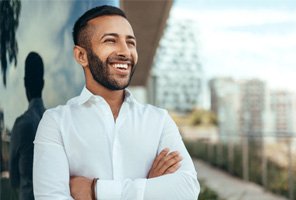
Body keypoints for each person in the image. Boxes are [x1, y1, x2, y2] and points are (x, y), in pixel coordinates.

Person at [33, 5, 200, 200]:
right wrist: (148, 187)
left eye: (130, 43)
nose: (125, 51)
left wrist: (95, 190)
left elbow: (187, 190)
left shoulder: (159, 120)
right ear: (81, 55)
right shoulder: (55, 122)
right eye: (110, 41)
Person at [10, 52, 45, 200]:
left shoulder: (21, 125)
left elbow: (13, 179)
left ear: (25, 82)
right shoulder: (53, 122)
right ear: (43, 84)